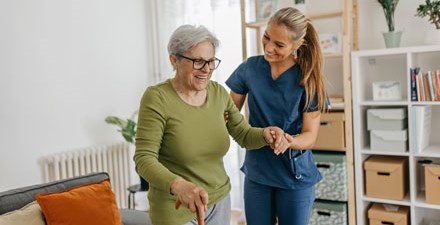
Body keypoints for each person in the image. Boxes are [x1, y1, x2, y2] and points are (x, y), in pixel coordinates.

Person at [134, 24, 290, 225]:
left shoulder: (218, 93)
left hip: (219, 201)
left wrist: (266, 134)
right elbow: (144, 159)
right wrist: (179, 186)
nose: (206, 70)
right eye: (198, 62)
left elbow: (243, 134)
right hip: (176, 206)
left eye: (210, 61)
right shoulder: (157, 98)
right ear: (174, 60)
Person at [225, 7, 327, 225]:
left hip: (293, 176)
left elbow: (310, 135)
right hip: (258, 172)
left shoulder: (308, 79)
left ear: (297, 45)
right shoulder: (250, 68)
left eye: (279, 44)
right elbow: (228, 113)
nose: (269, 48)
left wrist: (290, 141)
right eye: (266, 37)